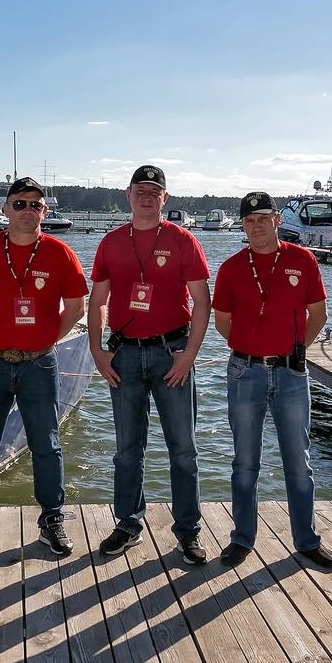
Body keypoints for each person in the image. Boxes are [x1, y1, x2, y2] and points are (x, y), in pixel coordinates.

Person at [0, 177, 88, 557]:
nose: (28, 211)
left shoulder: (60, 253)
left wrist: (45, 341)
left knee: (47, 446)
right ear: (6, 209)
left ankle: (52, 521)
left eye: (35, 205)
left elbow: (76, 310)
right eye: (20, 204)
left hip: (39, 364)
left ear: (46, 211)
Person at [88, 165, 211, 564]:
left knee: (184, 449)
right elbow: (98, 301)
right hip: (123, 354)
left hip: (170, 353)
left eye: (153, 191)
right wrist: (97, 350)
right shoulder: (110, 242)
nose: (146, 196)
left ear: (165, 199)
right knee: (127, 450)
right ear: (128, 194)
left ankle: (188, 532)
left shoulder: (182, 240)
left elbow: (202, 302)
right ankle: (128, 525)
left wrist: (189, 355)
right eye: (140, 190)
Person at [212, 191, 332, 569]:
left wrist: (297, 350)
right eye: (249, 221)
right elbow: (222, 321)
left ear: (277, 220)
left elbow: (319, 314)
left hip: (291, 373)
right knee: (245, 461)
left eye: (262, 219)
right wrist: (249, 347)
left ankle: (306, 540)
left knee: (298, 462)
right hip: (244, 371)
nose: (256, 227)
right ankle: (242, 539)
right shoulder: (232, 267)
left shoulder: (302, 259)